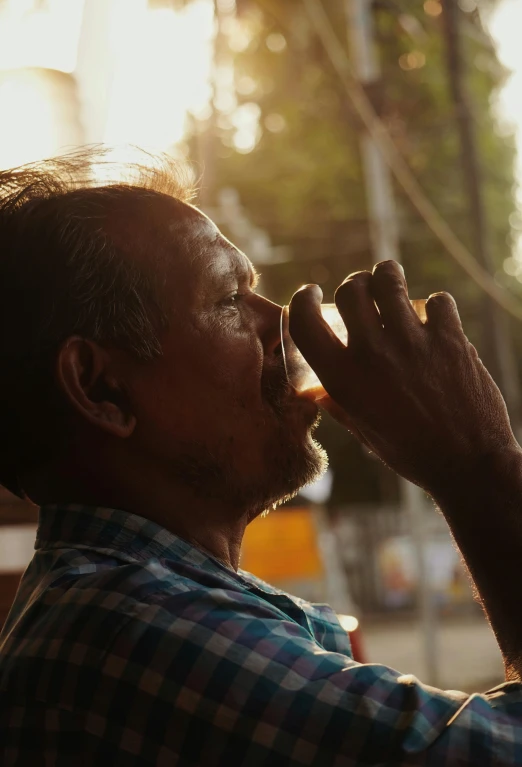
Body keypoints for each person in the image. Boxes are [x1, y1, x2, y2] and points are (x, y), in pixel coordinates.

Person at [0, 149, 522, 766]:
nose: (283, 328)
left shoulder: (124, 609)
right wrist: (477, 464)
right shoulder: (141, 635)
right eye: (227, 299)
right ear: (100, 388)